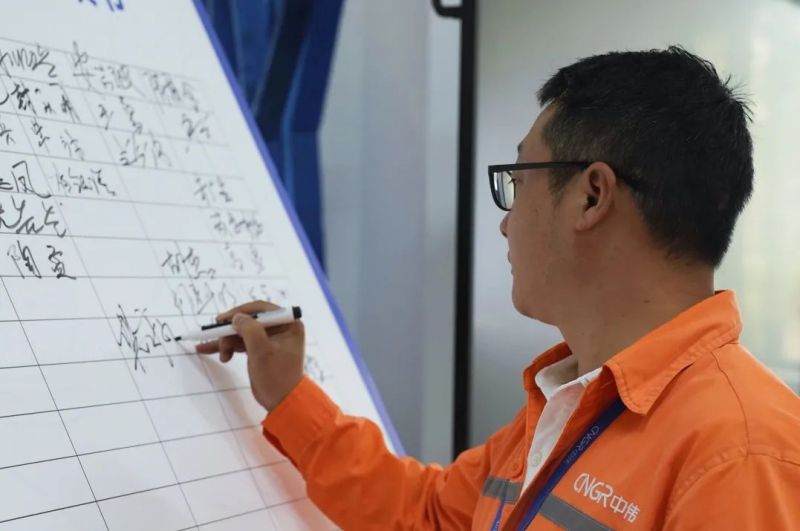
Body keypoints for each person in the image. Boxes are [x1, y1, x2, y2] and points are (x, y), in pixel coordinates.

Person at [197, 47, 800, 530]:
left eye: (519, 180)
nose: (506, 223)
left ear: (592, 196)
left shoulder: (741, 454)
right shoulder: (571, 397)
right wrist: (290, 396)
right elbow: (429, 515)